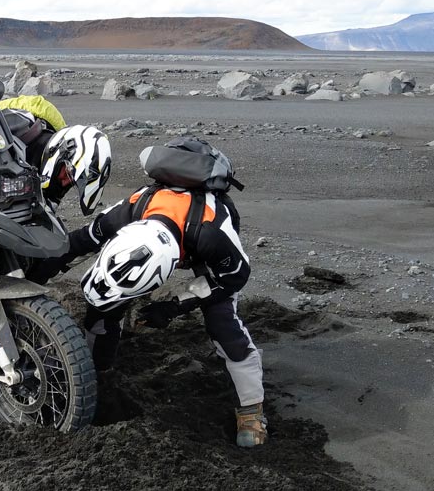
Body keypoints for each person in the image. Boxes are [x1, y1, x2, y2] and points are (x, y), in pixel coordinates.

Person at [28, 137, 266, 447]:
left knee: (222, 323)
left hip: (203, 249)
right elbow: (81, 241)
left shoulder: (213, 232)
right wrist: (34, 276)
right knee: (102, 310)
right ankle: (98, 373)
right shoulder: (133, 207)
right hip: (158, 229)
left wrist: (174, 307)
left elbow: (233, 277)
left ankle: (251, 410)